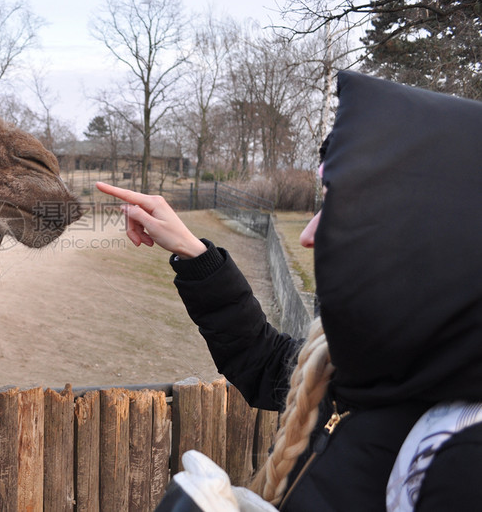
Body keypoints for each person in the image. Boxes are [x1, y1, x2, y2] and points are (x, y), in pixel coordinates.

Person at [96, 71, 482, 511]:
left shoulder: (461, 456)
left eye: (335, 204)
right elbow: (262, 359)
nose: (308, 234)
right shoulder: (357, 366)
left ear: (420, 225)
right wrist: (192, 252)